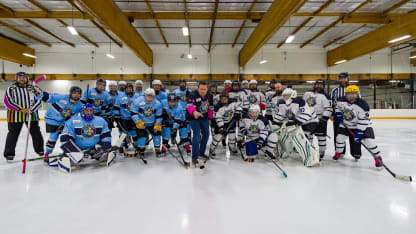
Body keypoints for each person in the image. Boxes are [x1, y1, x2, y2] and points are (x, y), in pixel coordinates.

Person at [333, 85, 383, 168]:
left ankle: (378, 158)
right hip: (346, 125)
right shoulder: (341, 100)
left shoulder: (363, 105)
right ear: (346, 94)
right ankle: (338, 152)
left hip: (363, 126)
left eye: (353, 93)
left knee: (369, 142)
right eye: (349, 93)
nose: (351, 95)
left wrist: (359, 132)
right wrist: (338, 114)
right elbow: (339, 108)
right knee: (339, 139)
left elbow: (363, 120)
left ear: (357, 94)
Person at [53, 103, 112, 172]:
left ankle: (96, 154)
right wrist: (74, 152)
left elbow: (106, 137)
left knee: (104, 155)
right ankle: (67, 157)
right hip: (78, 147)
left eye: (91, 111)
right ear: (82, 111)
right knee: (74, 159)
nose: (89, 113)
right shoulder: (72, 121)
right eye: (87, 110)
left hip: (93, 148)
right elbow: (65, 138)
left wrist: (103, 148)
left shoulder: (101, 121)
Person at [272, 88, 320, 167]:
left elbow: (307, 114)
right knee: (284, 140)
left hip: (302, 123)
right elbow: (280, 114)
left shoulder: (300, 101)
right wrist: (276, 121)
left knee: (301, 141)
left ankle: (311, 158)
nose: (286, 97)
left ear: (292, 94)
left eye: (287, 95)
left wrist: (296, 121)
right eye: (284, 95)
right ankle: (282, 154)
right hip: (289, 125)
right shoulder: (281, 102)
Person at [3, 72, 44, 161]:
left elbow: (40, 100)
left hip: (31, 114)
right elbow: (8, 101)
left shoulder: (33, 88)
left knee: (36, 133)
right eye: (20, 77)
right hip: (15, 115)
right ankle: (9, 154)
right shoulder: (11, 88)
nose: (22, 79)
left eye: (24, 77)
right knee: (13, 134)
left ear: (27, 79)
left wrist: (31, 110)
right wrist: (21, 109)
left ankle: (40, 150)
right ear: (16, 78)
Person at [41, 86, 83, 161]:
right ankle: (47, 153)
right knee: (54, 136)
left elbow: (73, 117)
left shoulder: (79, 105)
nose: (76, 95)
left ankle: (66, 152)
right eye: (74, 93)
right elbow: (49, 97)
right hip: (51, 119)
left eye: (78, 93)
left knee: (69, 135)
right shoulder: (62, 97)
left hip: (63, 121)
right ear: (70, 93)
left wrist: (64, 124)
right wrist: (40, 94)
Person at [331, 72, 362, 159]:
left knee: (354, 134)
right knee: (338, 134)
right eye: (341, 78)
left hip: (353, 117)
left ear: (348, 79)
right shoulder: (335, 91)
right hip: (339, 116)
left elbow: (359, 102)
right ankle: (340, 152)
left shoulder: (355, 89)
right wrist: (333, 114)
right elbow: (332, 103)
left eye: (344, 78)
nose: (343, 80)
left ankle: (356, 152)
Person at [303, 79, 332, 159]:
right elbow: (303, 105)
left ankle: (321, 152)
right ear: (314, 85)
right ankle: (309, 150)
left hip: (320, 118)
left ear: (323, 86)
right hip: (309, 118)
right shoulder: (307, 93)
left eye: (321, 85)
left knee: (321, 137)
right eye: (317, 84)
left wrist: (325, 117)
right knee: (308, 135)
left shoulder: (326, 95)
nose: (319, 86)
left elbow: (329, 108)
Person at [187, 81, 213, 167]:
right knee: (197, 135)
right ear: (198, 88)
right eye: (201, 89)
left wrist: (209, 118)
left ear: (207, 89)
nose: (203, 91)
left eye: (204, 89)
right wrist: (194, 112)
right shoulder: (192, 95)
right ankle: (194, 157)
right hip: (194, 118)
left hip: (204, 117)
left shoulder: (210, 95)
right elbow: (190, 106)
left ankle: (201, 152)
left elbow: (210, 108)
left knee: (206, 134)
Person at [131, 88, 163, 158]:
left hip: (152, 124)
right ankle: (141, 150)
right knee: (142, 138)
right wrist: (138, 122)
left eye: (151, 96)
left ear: (154, 96)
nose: (150, 97)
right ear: (145, 95)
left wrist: (157, 125)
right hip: (142, 124)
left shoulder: (158, 103)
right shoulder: (137, 101)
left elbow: (159, 116)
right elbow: (133, 113)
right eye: (148, 95)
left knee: (157, 135)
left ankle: (157, 149)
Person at [209, 91, 242, 157]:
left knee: (232, 138)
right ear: (220, 99)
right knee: (217, 138)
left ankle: (232, 148)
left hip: (230, 122)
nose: (224, 100)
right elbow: (218, 118)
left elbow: (239, 106)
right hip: (220, 124)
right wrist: (222, 127)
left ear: (228, 98)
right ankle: (212, 149)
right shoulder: (217, 107)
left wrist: (238, 112)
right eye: (222, 99)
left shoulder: (233, 102)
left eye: (225, 98)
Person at [113, 83, 137, 153]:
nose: (129, 90)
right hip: (124, 118)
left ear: (132, 89)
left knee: (134, 133)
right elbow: (116, 107)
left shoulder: (136, 96)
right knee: (122, 133)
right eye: (127, 88)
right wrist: (117, 116)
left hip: (134, 118)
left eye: (130, 88)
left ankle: (137, 146)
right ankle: (121, 147)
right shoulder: (120, 97)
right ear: (125, 90)